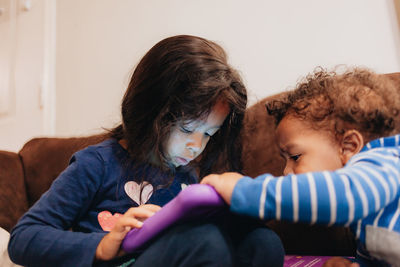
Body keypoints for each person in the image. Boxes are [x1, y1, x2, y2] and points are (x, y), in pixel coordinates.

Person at [8, 35, 284, 267]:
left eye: (208, 134)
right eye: (187, 130)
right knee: (204, 241)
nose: (196, 146)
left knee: (263, 242)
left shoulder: (187, 175)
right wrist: (102, 245)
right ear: (149, 109)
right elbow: (23, 237)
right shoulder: (97, 163)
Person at [201, 67, 400, 267]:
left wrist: (243, 190)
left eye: (296, 157)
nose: (286, 171)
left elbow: (341, 196)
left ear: (348, 146)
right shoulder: (372, 205)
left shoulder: (385, 165)